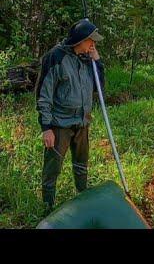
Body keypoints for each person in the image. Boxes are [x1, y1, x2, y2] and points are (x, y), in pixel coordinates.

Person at [36, 18, 105, 213]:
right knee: (52, 169)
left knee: (81, 165)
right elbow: (44, 94)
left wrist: (97, 62)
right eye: (91, 41)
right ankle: (47, 208)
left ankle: (82, 200)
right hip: (60, 125)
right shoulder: (56, 57)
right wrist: (46, 128)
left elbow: (99, 87)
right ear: (80, 40)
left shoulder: (87, 59)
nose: (94, 45)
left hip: (82, 123)